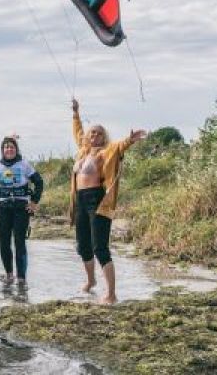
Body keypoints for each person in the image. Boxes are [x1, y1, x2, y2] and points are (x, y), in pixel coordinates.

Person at [70, 98, 146, 304]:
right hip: (80, 201)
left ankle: (111, 293)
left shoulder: (106, 151)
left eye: (99, 133)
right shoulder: (82, 151)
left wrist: (129, 140)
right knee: (83, 246)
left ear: (104, 137)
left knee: (99, 248)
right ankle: (91, 281)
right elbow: (78, 132)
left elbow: (119, 147)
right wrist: (76, 113)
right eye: (92, 132)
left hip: (97, 200)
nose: (94, 135)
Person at [0, 136, 44, 285]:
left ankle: (21, 277)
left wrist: (34, 202)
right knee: (4, 242)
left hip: (21, 207)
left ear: (16, 149)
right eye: (6, 147)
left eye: (12, 147)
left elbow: (39, 182)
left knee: (19, 242)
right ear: (2, 150)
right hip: (3, 208)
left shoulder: (24, 164)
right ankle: (9, 274)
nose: (9, 149)